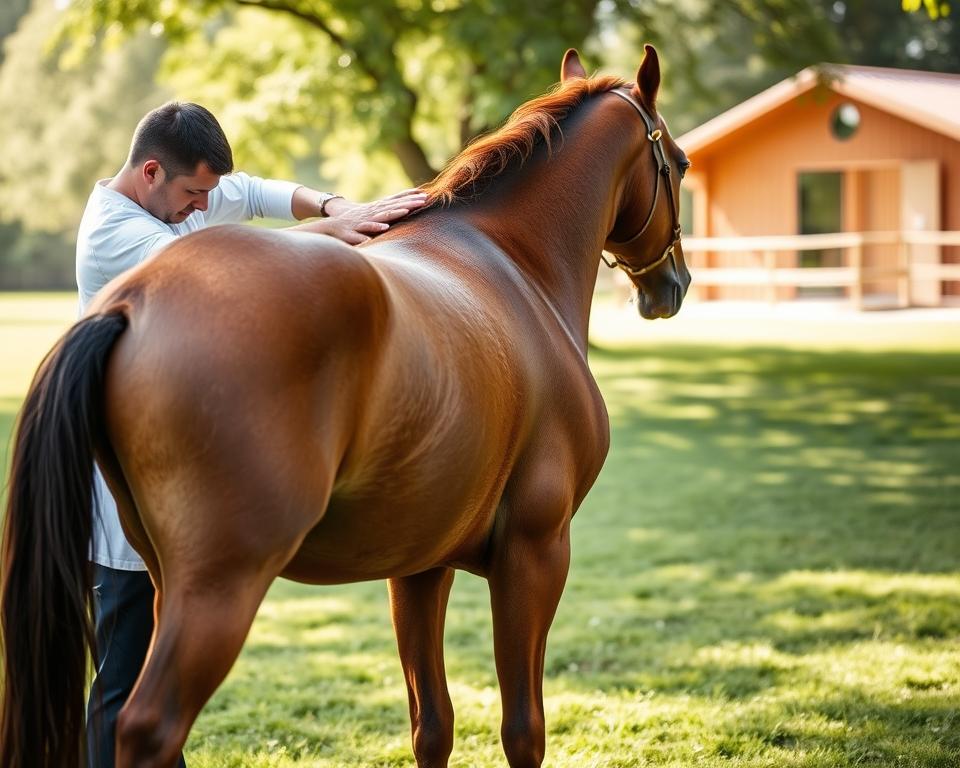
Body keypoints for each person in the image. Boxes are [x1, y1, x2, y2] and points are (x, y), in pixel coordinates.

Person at [77, 101, 426, 768]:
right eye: (193, 195)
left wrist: (335, 206)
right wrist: (331, 236)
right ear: (151, 173)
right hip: (126, 496)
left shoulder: (176, 198)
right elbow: (224, 269)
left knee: (163, 676)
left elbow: (259, 192)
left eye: (206, 195)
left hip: (171, 480)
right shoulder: (114, 235)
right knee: (122, 686)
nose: (202, 207)